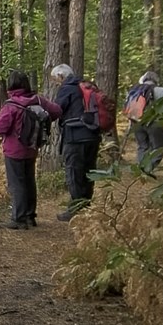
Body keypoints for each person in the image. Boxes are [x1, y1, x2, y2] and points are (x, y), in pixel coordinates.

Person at [44, 62, 103, 216]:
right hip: (93, 136)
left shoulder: (67, 88)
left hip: (75, 137)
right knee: (88, 171)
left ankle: (76, 209)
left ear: (61, 76)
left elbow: (57, 110)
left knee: (74, 173)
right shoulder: (86, 86)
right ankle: (86, 206)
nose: (56, 83)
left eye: (55, 79)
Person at [0, 71, 47, 227]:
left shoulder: (11, 105)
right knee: (29, 181)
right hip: (32, 148)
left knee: (17, 183)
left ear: (11, 85)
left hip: (14, 150)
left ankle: (19, 219)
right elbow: (56, 111)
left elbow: (0, 127)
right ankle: (30, 216)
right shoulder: (37, 101)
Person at [125, 68, 163, 173]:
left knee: (143, 146)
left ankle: (141, 168)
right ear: (156, 80)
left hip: (137, 122)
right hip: (155, 121)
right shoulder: (161, 91)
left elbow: (128, 107)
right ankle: (148, 169)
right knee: (159, 146)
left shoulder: (134, 91)